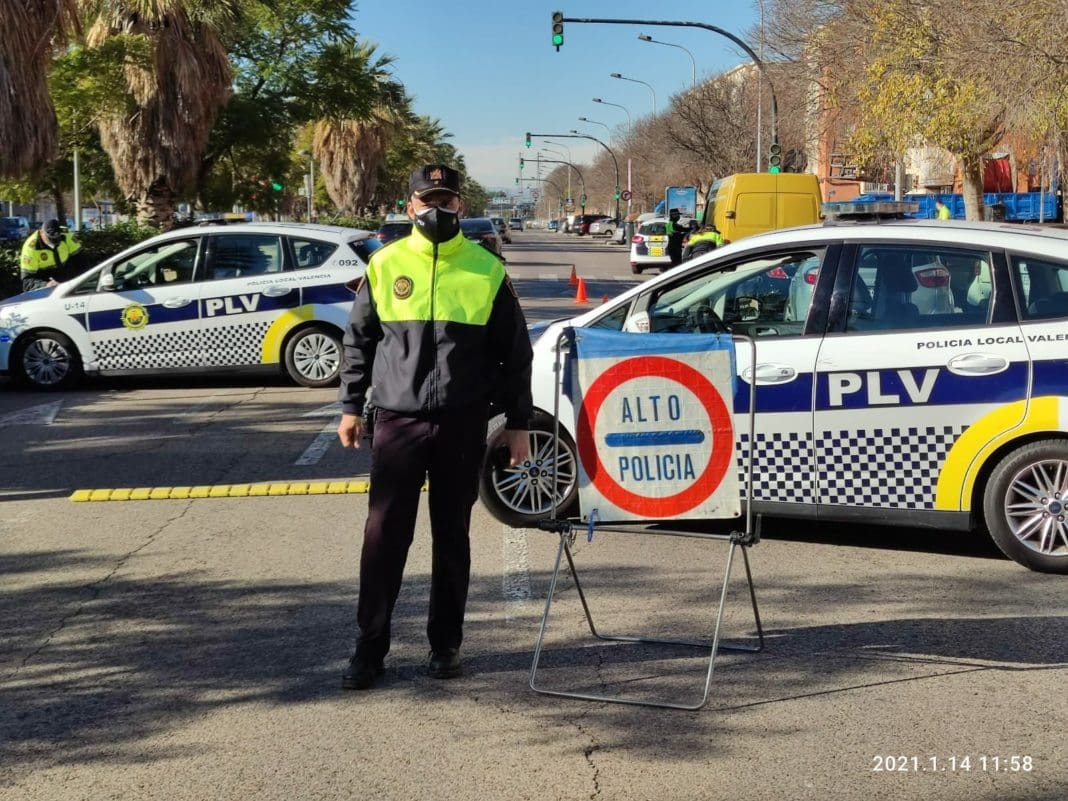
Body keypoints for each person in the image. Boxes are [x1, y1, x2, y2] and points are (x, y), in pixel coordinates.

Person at [336, 163, 534, 691]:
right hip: (398, 420)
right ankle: (369, 648)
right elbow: (358, 341)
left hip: (462, 422)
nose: (438, 211)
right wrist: (350, 406)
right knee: (384, 535)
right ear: (410, 208)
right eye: (428, 202)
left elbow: (515, 354)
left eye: (447, 202)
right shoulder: (385, 264)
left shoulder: (486, 268)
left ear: (461, 207)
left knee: (453, 536)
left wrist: (518, 424)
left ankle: (445, 646)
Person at [20, 219, 85, 292]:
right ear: (41, 233)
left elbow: (81, 262)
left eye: (57, 239)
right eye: (50, 239)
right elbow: (27, 282)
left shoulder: (66, 235)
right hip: (46, 284)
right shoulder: (31, 247)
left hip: (67, 278)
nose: (54, 243)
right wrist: (45, 285)